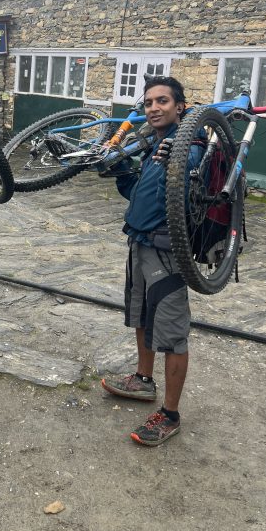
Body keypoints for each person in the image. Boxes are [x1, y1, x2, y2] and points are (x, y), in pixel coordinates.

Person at [101, 76, 199, 446]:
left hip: (168, 250)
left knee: (172, 334)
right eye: (148, 103)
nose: (154, 108)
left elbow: (190, 170)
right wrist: (121, 173)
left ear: (180, 107)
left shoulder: (190, 142)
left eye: (162, 101)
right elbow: (138, 192)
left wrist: (175, 152)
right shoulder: (151, 143)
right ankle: (143, 381)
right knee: (141, 313)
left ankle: (170, 415)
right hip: (139, 241)